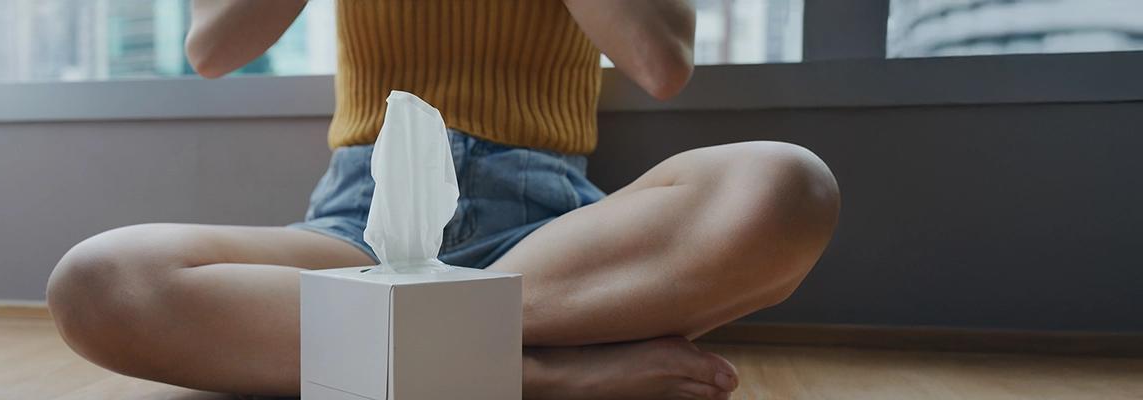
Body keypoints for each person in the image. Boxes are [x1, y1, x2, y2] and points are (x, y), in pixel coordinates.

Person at [46, 0, 840, 398]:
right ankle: (543, 376)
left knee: (787, 184)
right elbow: (213, 48)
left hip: (560, 235)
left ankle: (435, 349)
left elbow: (660, 62)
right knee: (98, 281)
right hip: (360, 229)